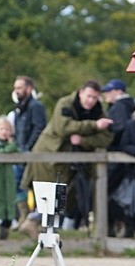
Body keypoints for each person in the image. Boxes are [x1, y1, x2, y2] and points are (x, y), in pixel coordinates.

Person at [21, 80, 113, 228]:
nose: (91, 101)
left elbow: (106, 137)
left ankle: (45, 232)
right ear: (80, 92)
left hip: (72, 161)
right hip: (50, 154)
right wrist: (93, 125)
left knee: (63, 198)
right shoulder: (65, 104)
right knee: (48, 195)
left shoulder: (98, 110)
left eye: (94, 97)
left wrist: (83, 140)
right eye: (88, 96)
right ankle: (34, 225)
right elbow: (63, 127)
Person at [102, 78, 135, 236]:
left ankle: (110, 230)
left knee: (109, 195)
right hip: (125, 161)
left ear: (118, 91)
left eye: (109, 91)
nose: (106, 95)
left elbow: (120, 131)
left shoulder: (119, 107)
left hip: (118, 161)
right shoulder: (127, 106)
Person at [10, 75, 47, 220]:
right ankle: (24, 217)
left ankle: (33, 219)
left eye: (19, 87)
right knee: (18, 184)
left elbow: (39, 128)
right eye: (15, 88)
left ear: (29, 88)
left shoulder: (35, 106)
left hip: (31, 154)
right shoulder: (20, 108)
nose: (16, 91)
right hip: (21, 153)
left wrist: (27, 148)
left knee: (34, 187)